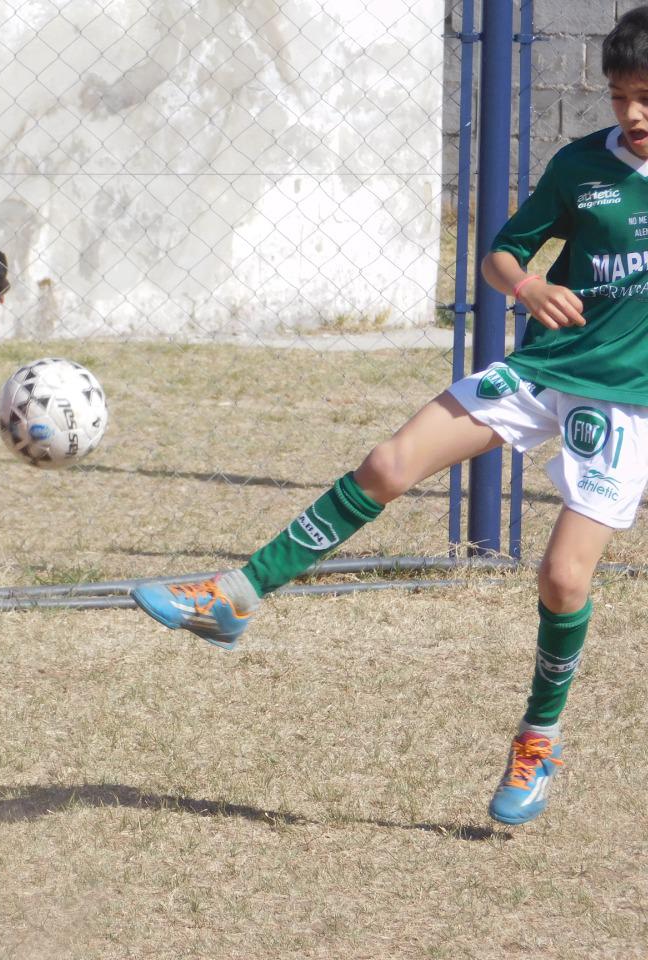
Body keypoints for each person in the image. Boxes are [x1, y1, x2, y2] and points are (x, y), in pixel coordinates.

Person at [133, 4, 648, 827]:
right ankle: (234, 596)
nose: (632, 114)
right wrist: (528, 287)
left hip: (626, 403)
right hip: (543, 367)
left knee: (561, 577)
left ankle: (537, 740)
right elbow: (502, 253)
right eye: (621, 95)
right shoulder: (581, 164)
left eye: (647, 96)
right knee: (388, 462)